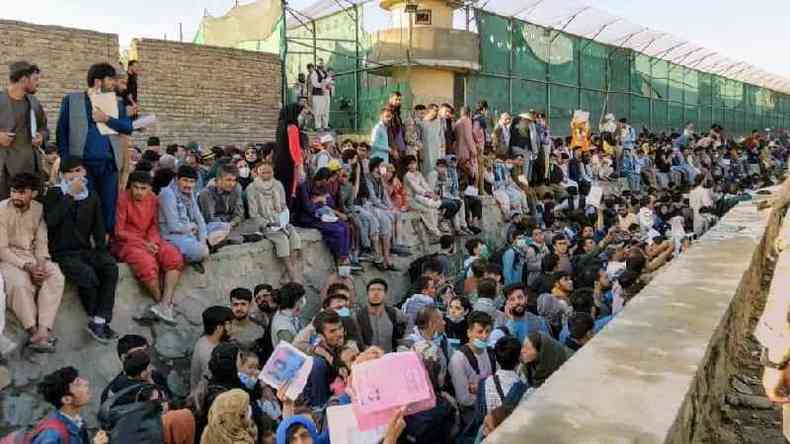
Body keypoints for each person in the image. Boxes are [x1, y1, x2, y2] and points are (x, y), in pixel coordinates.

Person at [43, 158, 119, 343]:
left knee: (110, 267)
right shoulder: (54, 194)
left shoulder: (91, 195)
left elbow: (98, 227)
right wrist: (69, 195)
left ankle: (100, 320)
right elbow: (51, 221)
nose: (76, 175)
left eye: (80, 171)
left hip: (84, 250)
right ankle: (94, 318)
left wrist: (102, 251)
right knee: (86, 274)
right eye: (72, 171)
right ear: (63, 175)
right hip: (61, 252)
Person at [56, 63, 133, 231]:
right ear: (98, 82)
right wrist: (65, 162)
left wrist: (107, 119)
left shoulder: (117, 103)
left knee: (108, 206)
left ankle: (104, 244)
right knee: (84, 205)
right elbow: (61, 131)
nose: (114, 83)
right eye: (110, 79)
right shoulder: (72, 100)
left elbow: (127, 127)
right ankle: (84, 244)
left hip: (109, 165)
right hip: (81, 165)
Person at [0, 173, 65, 354]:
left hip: (33, 256)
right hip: (9, 259)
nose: (16, 196)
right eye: (14, 191)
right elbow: (2, 249)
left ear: (33, 194)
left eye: (22, 193)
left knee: (55, 276)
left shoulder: (38, 209)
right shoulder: (1, 210)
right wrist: (27, 267)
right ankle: (33, 332)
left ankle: (44, 329)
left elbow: (41, 241)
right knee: (20, 284)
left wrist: (41, 264)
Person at [114, 171, 183, 323]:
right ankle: (160, 302)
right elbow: (119, 231)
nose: (139, 191)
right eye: (135, 187)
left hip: (150, 239)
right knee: (146, 264)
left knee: (173, 256)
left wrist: (153, 242)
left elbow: (154, 224)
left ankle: (166, 303)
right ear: (130, 186)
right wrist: (144, 244)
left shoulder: (153, 198)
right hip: (127, 242)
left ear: (150, 188)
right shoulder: (122, 199)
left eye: (143, 188)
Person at [246, 162, 303, 283]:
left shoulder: (278, 185)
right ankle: (292, 274)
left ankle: (287, 273)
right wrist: (268, 223)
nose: (266, 174)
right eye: (263, 172)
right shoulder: (251, 188)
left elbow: (283, 205)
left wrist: (282, 218)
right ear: (257, 172)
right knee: (282, 239)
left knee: (294, 237)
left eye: (269, 172)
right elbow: (253, 214)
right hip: (265, 223)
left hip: (280, 220)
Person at [0, 61, 48, 199]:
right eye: (35, 79)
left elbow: (44, 129)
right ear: (23, 79)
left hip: (32, 170)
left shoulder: (34, 102)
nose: (38, 83)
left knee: (33, 212)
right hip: (5, 171)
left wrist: (42, 137)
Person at [292, 167, 351, 264]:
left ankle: (344, 256)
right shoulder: (304, 186)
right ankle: (341, 259)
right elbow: (308, 208)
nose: (329, 183)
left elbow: (330, 204)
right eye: (328, 180)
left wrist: (318, 200)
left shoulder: (324, 187)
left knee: (345, 226)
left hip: (322, 215)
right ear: (324, 179)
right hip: (306, 218)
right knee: (338, 230)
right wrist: (319, 199)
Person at [159, 165, 210, 273]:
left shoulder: (189, 193)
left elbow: (199, 217)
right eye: (185, 181)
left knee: (221, 226)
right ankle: (192, 254)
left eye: (192, 182)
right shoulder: (168, 194)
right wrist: (191, 226)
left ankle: (203, 245)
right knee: (203, 252)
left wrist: (203, 239)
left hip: (190, 233)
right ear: (177, 179)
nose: (188, 185)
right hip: (172, 236)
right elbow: (174, 226)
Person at [449, 310, 496, 427]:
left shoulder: (490, 352)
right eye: (479, 332)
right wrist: (487, 394)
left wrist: (479, 389)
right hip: (471, 413)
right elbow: (464, 398)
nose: (484, 336)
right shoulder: (459, 359)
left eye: (487, 332)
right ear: (469, 333)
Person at [33, 367, 102, 444]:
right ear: (67, 399)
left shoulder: (76, 421)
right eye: (78, 384)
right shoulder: (52, 435)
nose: (86, 382)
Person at [101, 334, 171, 404]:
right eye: (140, 352)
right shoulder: (115, 392)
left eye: (146, 351)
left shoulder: (155, 375)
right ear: (124, 357)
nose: (146, 355)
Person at [303, 310, 346, 407]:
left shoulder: (343, 342)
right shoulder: (317, 360)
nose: (339, 334)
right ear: (320, 336)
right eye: (332, 331)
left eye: (340, 328)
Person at [357, 278, 407, 353]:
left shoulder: (393, 313)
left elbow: (410, 322)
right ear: (367, 294)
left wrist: (402, 344)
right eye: (372, 290)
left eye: (379, 290)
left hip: (390, 358)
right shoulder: (358, 316)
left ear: (385, 294)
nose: (376, 293)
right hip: (368, 359)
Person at [190, 305, 234, 389]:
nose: (232, 327)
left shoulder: (203, 340)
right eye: (229, 324)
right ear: (218, 328)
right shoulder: (212, 355)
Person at [479, 335, 522, 416]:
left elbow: (479, 416)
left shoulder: (483, 384)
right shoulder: (524, 387)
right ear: (519, 358)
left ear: (495, 357)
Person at [402, 155, 444, 238]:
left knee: (433, 209)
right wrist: (429, 195)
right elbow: (417, 189)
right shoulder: (407, 176)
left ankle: (433, 230)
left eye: (414, 163)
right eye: (410, 164)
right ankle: (433, 231)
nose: (413, 165)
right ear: (407, 166)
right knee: (427, 210)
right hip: (410, 200)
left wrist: (432, 194)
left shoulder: (418, 174)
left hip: (419, 199)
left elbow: (425, 185)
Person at [273, 103, 305, 205]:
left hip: (279, 164)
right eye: (300, 114)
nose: (301, 117)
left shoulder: (280, 126)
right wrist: (300, 167)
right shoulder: (292, 127)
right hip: (289, 166)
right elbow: (294, 149)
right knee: (288, 194)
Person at [270, 282, 306, 348]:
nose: (303, 303)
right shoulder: (283, 328)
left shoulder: (289, 314)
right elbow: (292, 351)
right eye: (301, 301)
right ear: (294, 302)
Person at [419, 104, 445, 178]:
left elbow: (442, 137)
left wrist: (442, 151)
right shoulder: (422, 122)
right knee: (427, 171)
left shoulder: (439, 122)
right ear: (429, 110)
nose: (436, 112)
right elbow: (419, 138)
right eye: (435, 110)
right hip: (426, 151)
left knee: (437, 170)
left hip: (437, 151)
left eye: (437, 111)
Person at [310, 58, 330, 131]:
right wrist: (323, 85)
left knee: (326, 110)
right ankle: (318, 126)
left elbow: (329, 80)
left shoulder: (325, 72)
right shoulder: (314, 73)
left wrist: (328, 84)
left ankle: (325, 126)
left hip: (326, 94)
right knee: (318, 110)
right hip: (318, 94)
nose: (321, 64)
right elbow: (315, 84)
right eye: (319, 63)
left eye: (322, 63)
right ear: (317, 64)